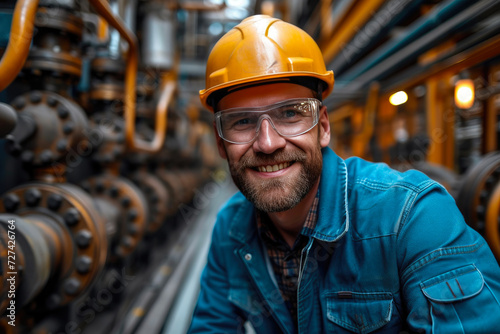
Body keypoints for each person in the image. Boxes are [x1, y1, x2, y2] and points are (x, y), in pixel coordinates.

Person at [188, 15, 500, 333]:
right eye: (241, 121)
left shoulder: (412, 218)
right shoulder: (231, 229)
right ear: (220, 143)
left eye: (290, 113)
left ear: (323, 127)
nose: (268, 143)